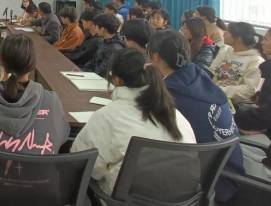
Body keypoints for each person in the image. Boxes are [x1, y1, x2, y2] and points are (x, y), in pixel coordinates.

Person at [72, 49, 196, 195]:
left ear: (117, 80)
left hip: (125, 202)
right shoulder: (175, 115)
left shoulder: (109, 116)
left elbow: (84, 165)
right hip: (180, 200)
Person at [147, 30, 245, 201]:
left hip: (206, 184)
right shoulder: (200, 76)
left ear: (155, 56)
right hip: (231, 172)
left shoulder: (167, 95)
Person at [0, 34, 71, 156]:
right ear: (32, 64)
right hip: (41, 169)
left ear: (0, 61)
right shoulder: (51, 102)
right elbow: (62, 137)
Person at [209, 22, 265, 103]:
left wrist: (218, 90)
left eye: (228, 32)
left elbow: (250, 90)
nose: (224, 33)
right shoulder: (224, 54)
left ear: (239, 38)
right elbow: (211, 72)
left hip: (236, 104)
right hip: (214, 96)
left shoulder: (256, 61)